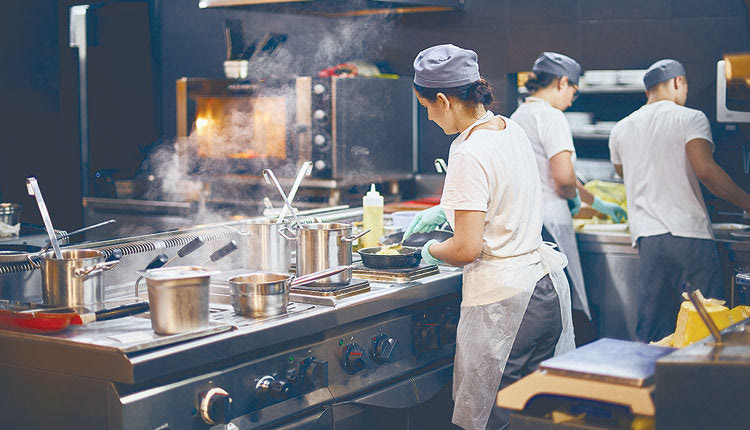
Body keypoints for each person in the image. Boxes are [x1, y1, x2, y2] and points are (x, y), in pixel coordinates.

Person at [404, 44, 575, 430]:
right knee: (532, 418)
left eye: (426, 107)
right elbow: (502, 200)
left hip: (507, 307)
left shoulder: (468, 150)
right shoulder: (508, 127)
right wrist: (448, 212)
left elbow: (466, 248)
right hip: (543, 289)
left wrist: (427, 252)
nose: (429, 117)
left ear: (444, 100)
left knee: (490, 421)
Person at [608, 58, 750, 343]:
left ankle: (650, 385)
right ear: (678, 82)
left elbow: (623, 172)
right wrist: (747, 202)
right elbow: (706, 171)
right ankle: (701, 385)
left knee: (653, 330)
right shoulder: (689, 117)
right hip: (689, 237)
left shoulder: (620, 129)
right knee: (707, 327)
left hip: (648, 239)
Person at [510, 52, 627, 326]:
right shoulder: (552, 117)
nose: (573, 98)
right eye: (574, 90)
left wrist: (594, 201)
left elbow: (555, 174)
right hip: (551, 222)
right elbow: (563, 180)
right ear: (562, 82)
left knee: (537, 304)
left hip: (525, 221)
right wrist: (572, 198)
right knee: (564, 301)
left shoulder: (518, 115)